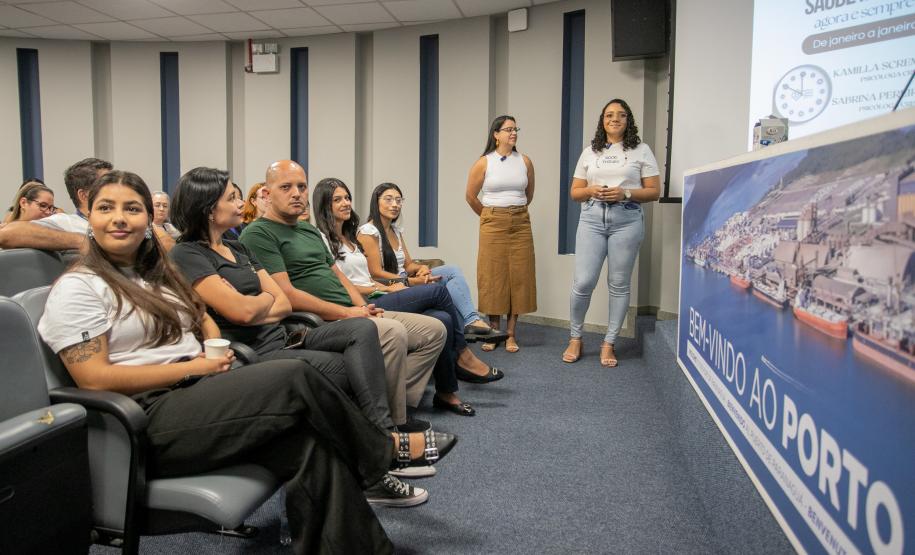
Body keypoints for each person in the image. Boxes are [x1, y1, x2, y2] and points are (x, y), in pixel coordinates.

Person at [36, 170, 456, 552]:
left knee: (311, 446)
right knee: (295, 373)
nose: (119, 218)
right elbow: (94, 379)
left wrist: (211, 345)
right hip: (145, 420)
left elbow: (200, 315)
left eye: (132, 208)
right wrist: (194, 367)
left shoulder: (155, 275)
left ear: (148, 218)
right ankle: (384, 449)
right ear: (88, 216)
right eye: (106, 208)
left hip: (197, 396)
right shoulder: (79, 287)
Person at [169, 168, 396, 434]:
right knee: (355, 370)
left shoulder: (238, 248)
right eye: (232, 198)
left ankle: (377, 434)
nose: (241, 203)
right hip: (253, 350)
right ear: (208, 210)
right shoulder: (187, 253)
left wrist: (255, 301)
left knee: (362, 328)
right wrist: (261, 301)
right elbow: (242, 313)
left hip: (284, 336)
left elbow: (282, 303)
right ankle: (384, 434)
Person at [240, 160, 446, 429]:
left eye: (302, 187)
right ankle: (393, 423)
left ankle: (393, 404)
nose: (297, 194)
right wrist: (349, 313)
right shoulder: (258, 233)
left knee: (435, 331)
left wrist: (364, 307)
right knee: (393, 332)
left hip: (351, 310)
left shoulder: (308, 230)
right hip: (317, 321)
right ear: (267, 194)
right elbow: (286, 294)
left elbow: (339, 276)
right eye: (286, 187)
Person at [315, 179, 506, 416]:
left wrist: (398, 282)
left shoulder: (350, 236)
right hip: (365, 302)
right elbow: (342, 285)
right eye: (337, 199)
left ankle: (446, 393)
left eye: (347, 198)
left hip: (378, 291)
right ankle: (464, 353)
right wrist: (394, 287)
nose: (345, 203)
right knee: (437, 291)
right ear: (324, 204)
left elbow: (370, 277)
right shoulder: (323, 239)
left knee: (443, 318)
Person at [562, 99, 660, 367]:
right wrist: (590, 190)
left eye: (621, 115)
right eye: (609, 115)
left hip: (626, 221)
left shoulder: (641, 150)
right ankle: (575, 337)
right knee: (583, 282)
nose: (615, 119)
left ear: (628, 120)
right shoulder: (590, 152)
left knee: (618, 284)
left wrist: (625, 192)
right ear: (602, 121)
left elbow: (654, 191)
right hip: (592, 219)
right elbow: (575, 192)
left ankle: (609, 342)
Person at [357, 183, 508, 345]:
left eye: (398, 200)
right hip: (390, 288)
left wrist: (422, 268)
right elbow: (375, 273)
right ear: (376, 202)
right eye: (388, 199)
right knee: (445, 287)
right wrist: (410, 281)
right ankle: (471, 324)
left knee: (452, 271)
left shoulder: (395, 230)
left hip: (405, 280)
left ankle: (472, 321)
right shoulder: (368, 231)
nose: (395, 204)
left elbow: (408, 265)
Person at [465, 115, 537, 353]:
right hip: (493, 223)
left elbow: (528, 194)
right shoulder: (484, 162)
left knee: (519, 276)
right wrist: (489, 216)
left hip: (520, 222)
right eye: (508, 129)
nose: (513, 133)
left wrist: (514, 212)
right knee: (492, 276)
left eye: (515, 129)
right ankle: (494, 332)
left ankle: (511, 334)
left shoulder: (524, 161)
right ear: (496, 134)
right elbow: (470, 196)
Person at [0, 158, 111, 251]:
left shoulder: (116, 219)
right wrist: (83, 240)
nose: (117, 188)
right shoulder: (66, 223)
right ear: (84, 195)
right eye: (107, 184)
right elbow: (6, 234)